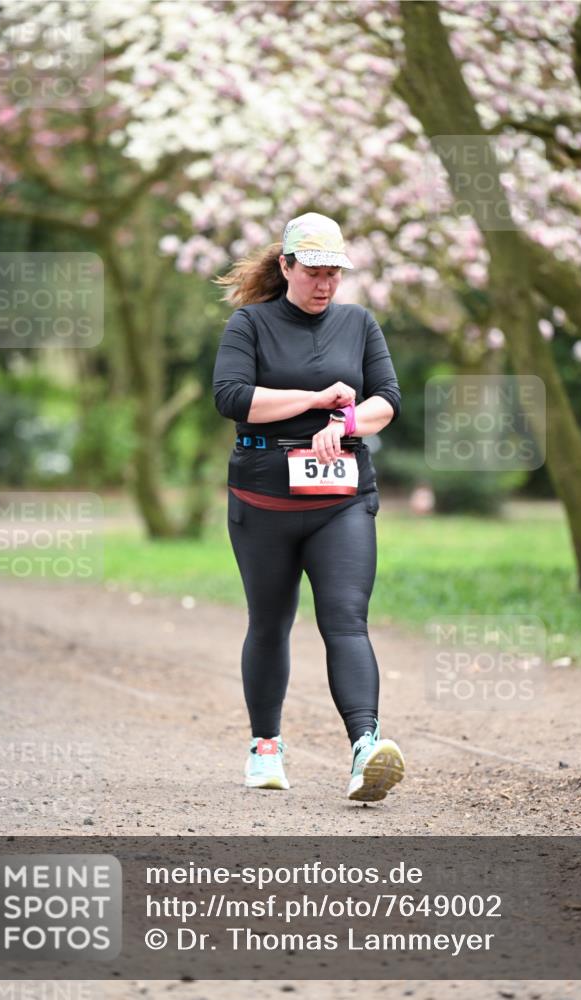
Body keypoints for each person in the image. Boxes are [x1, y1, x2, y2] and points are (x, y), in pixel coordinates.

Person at [212, 211, 405, 802]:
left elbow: (387, 400)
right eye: (314, 271)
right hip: (262, 498)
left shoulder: (359, 323)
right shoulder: (250, 323)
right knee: (269, 623)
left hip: (341, 499)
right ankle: (265, 748)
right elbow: (232, 397)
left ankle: (365, 748)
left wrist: (342, 421)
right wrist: (318, 399)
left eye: (335, 273)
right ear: (287, 266)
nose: (325, 284)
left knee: (345, 619)